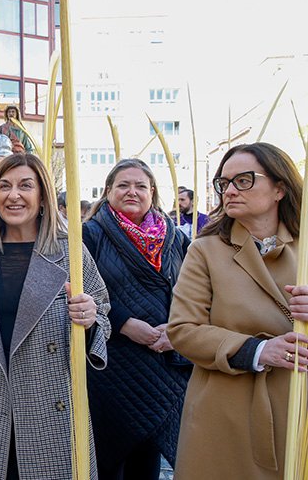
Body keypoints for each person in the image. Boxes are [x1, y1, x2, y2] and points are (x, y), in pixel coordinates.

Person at [0, 153, 110, 479]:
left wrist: (90, 317)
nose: (13, 195)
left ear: (42, 197)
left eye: (26, 186)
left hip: (49, 408)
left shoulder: (71, 252)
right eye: (4, 186)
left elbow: (102, 312)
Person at [167, 143, 307, 479]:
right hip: (227, 411)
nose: (229, 190)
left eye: (243, 180)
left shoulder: (306, 248)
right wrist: (258, 350)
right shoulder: (205, 250)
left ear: (279, 188)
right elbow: (183, 329)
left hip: (298, 407)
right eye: (223, 182)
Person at [82, 158, 191, 480]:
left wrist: (179, 329)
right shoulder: (89, 235)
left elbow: (193, 290)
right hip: (110, 364)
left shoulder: (174, 238)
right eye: (124, 185)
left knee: (148, 462)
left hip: (163, 361)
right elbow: (76, 289)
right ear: (109, 191)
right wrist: (125, 323)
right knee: (107, 459)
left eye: (140, 185)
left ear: (152, 192)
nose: (132, 191)